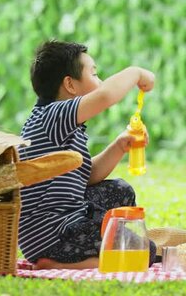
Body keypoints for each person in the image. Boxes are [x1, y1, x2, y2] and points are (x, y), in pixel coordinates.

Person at [18, 40, 156, 270]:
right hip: (52, 235)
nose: (100, 81)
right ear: (70, 85)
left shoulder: (64, 124)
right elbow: (105, 96)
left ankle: (96, 251)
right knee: (141, 250)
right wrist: (136, 73)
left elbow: (86, 176)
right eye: (94, 74)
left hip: (68, 219)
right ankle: (58, 264)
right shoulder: (52, 116)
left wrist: (118, 146)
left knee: (120, 191)